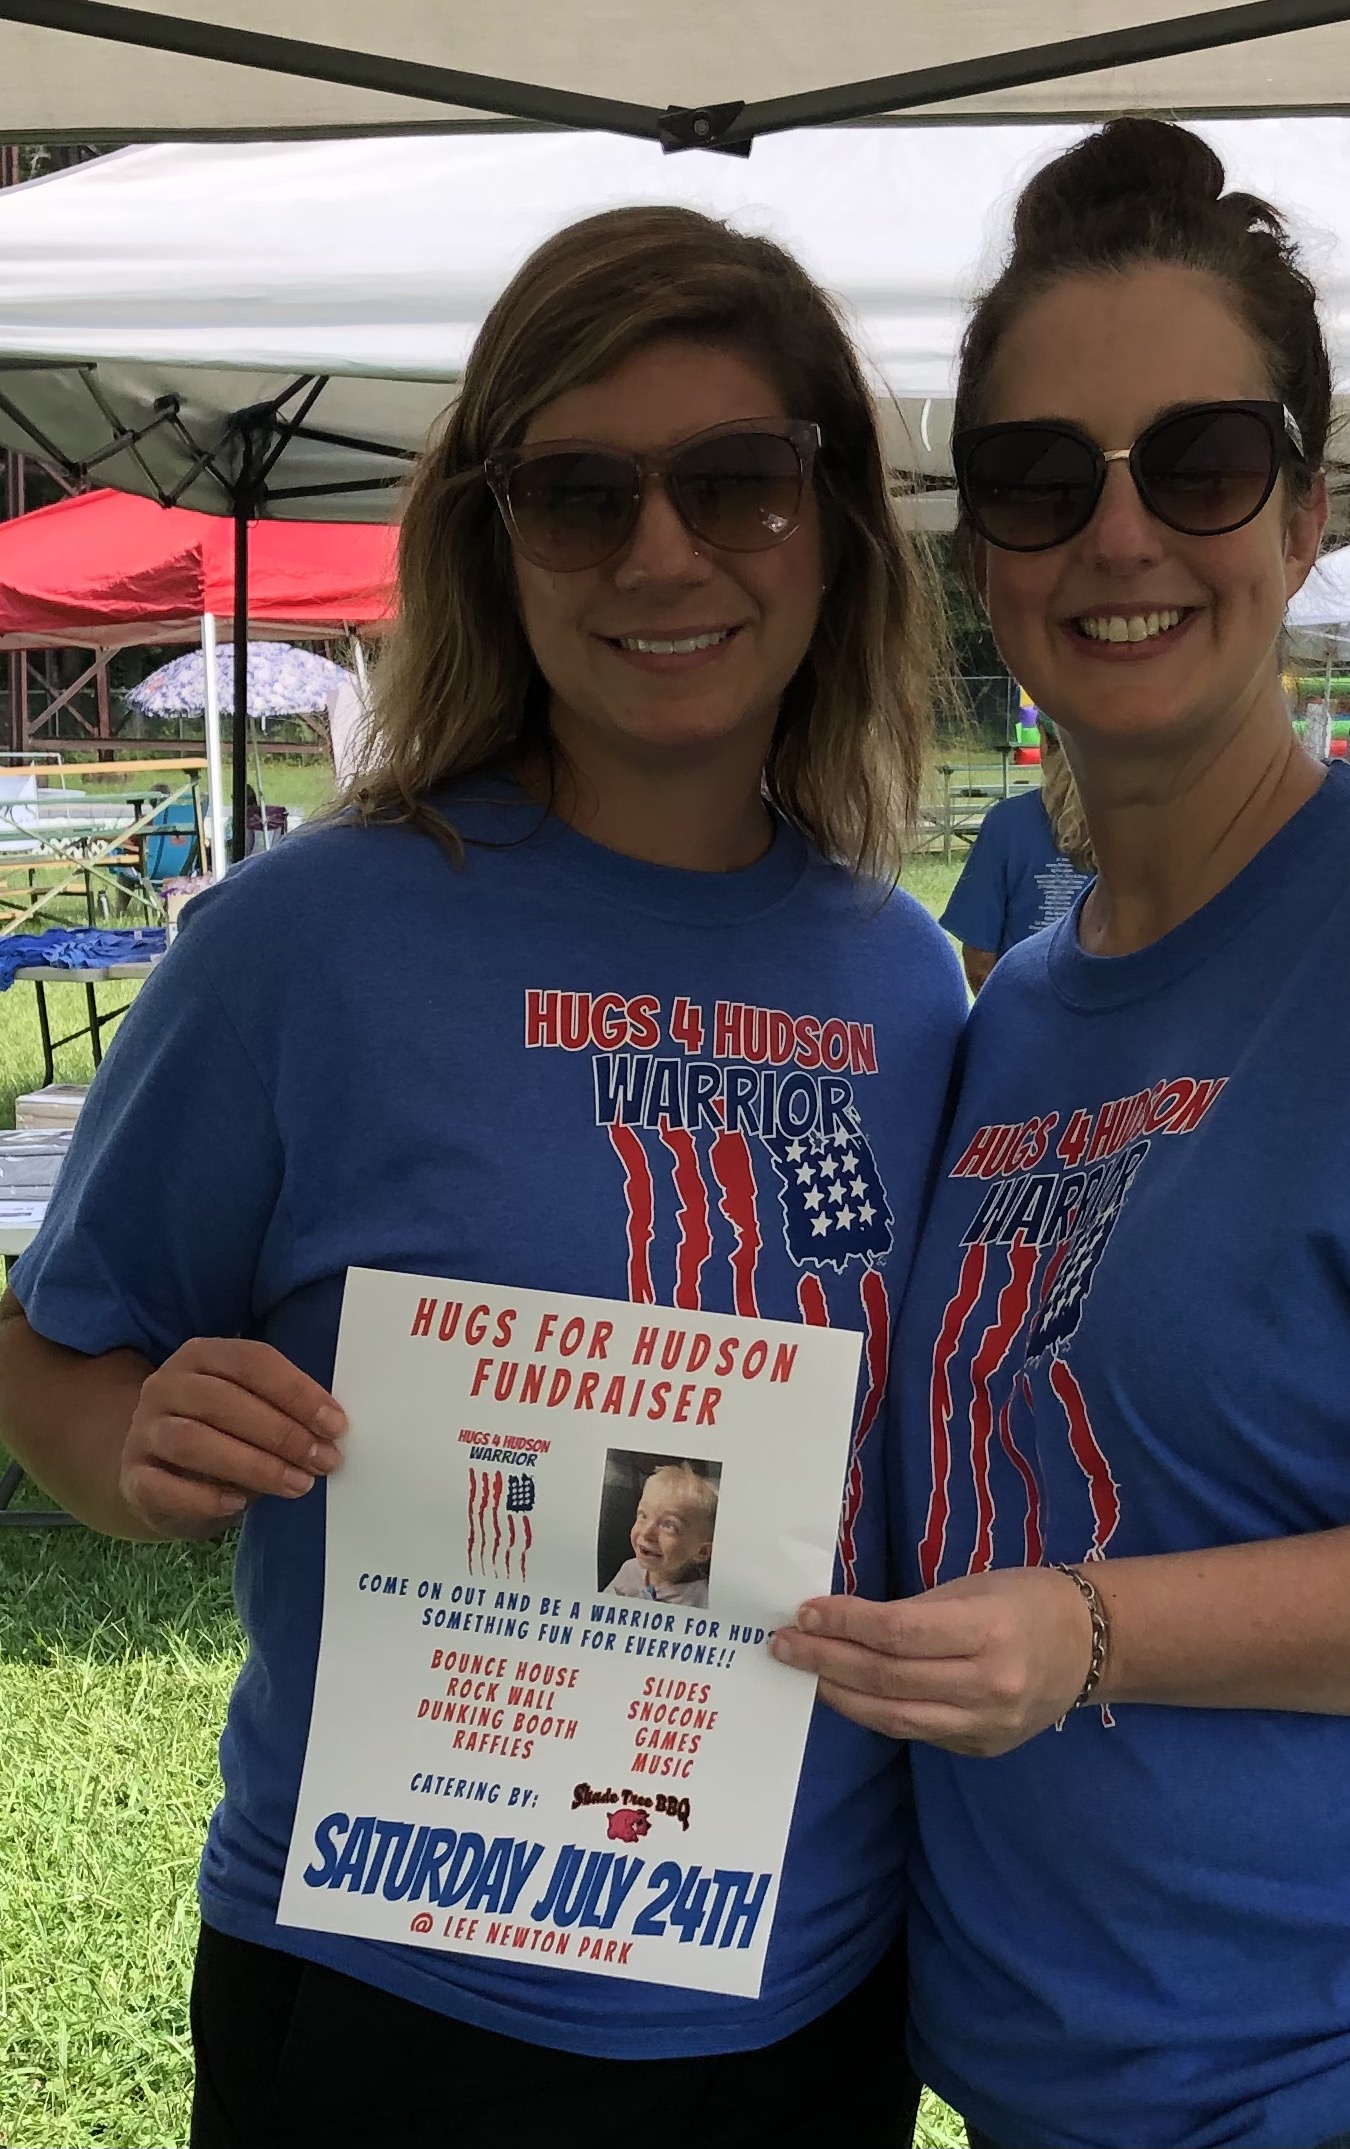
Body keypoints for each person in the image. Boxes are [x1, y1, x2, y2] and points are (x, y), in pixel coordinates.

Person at [0, 206, 968, 2149]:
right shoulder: (301, 945)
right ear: (489, 540)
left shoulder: (903, 980)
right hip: (390, 1995)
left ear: (838, 523)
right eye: (578, 492)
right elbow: (54, 1348)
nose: (661, 551)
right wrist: (127, 1446)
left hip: (807, 1995)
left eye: (737, 483)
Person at [776, 118, 1350, 2149]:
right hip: (1053, 2083)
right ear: (983, 557)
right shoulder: (1016, 1003)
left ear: (1308, 514)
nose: (1119, 538)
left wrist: (1097, 1629)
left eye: (1199, 463)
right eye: (1044, 483)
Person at [940, 720, 1094, 991]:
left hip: (1025, 1014)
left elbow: (980, 963)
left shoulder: (1006, 823)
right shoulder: (1139, 826)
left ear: (1044, 743)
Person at [607, 1462, 719, 1606]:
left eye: (669, 1525)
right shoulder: (630, 1569)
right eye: (643, 1516)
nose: (647, 1533)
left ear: (701, 1551)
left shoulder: (703, 1599)